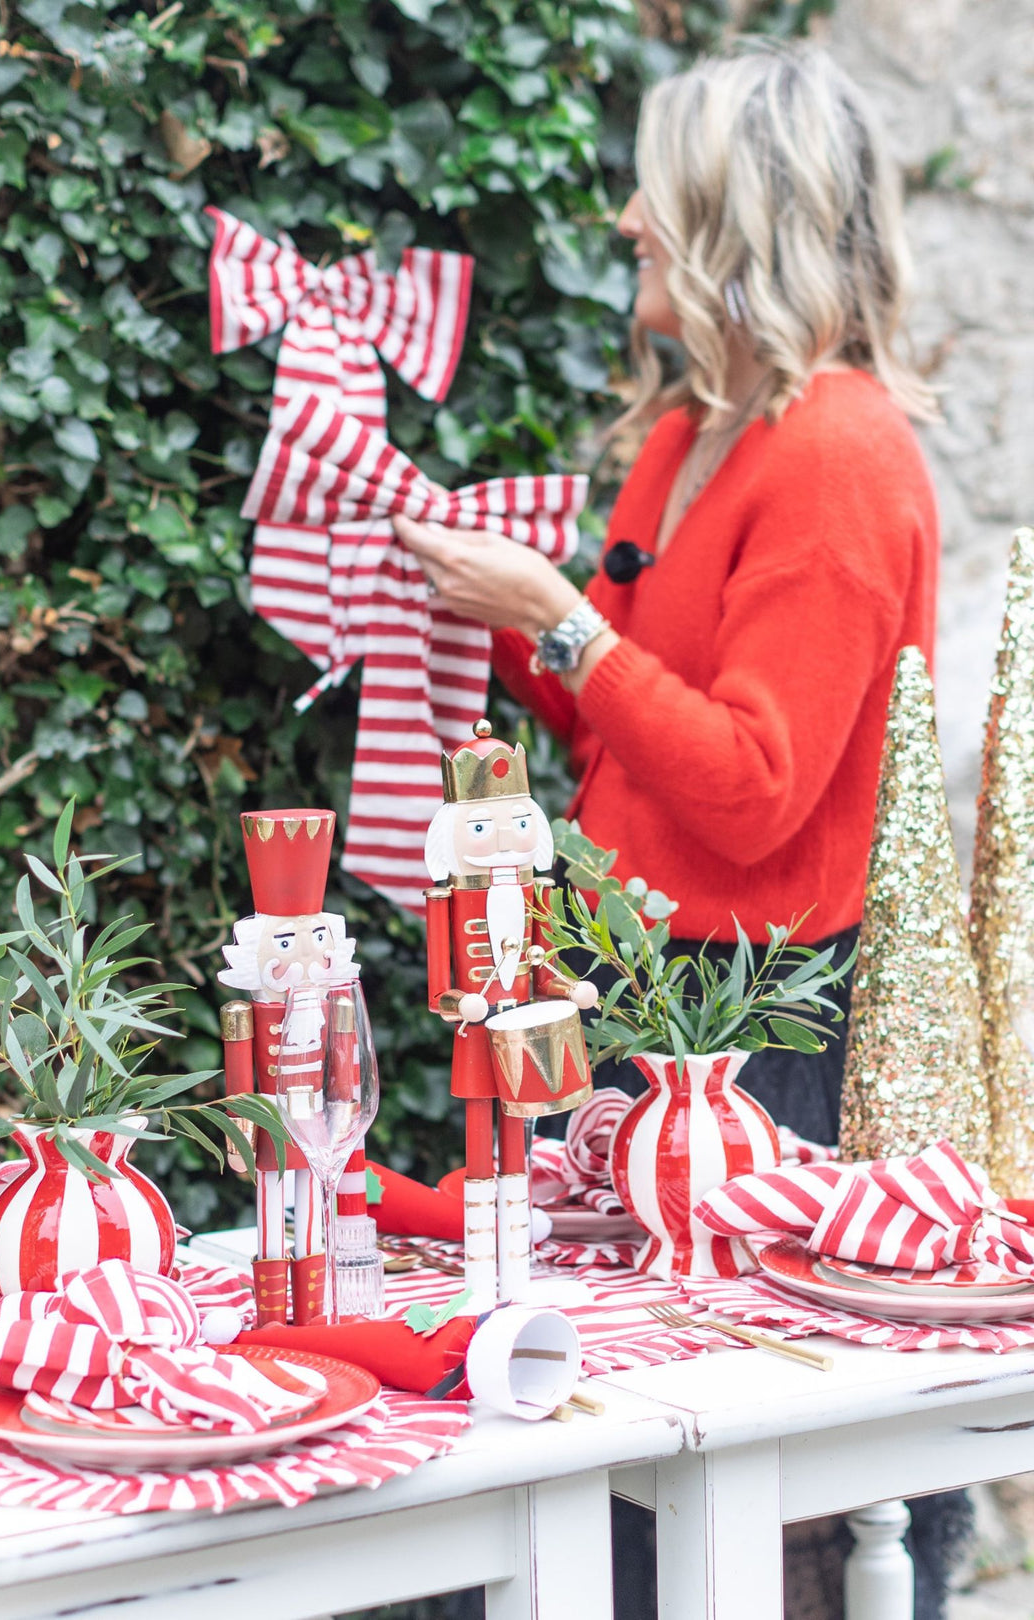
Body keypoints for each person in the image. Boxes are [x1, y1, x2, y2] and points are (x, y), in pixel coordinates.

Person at [395, 37, 970, 1620]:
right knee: (606, 1455)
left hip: (755, 1040)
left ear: (734, 218)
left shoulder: (842, 455)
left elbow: (750, 787)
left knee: (737, 1470)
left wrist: (567, 617)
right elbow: (627, 739)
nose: (630, 221)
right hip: (638, 1006)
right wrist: (503, 611)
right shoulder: (693, 434)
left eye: (660, 192)